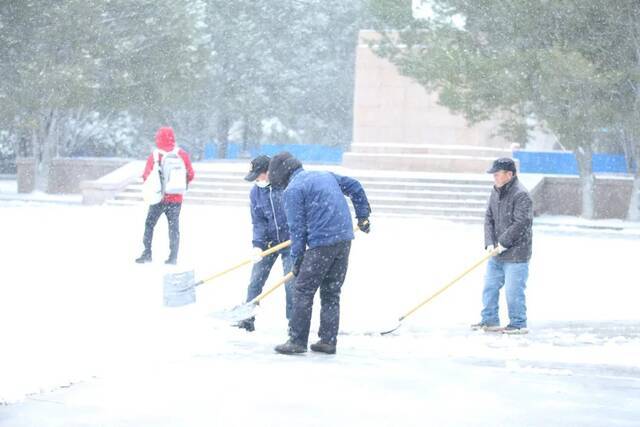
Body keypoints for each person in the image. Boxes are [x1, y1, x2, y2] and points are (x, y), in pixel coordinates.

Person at [268, 152, 371, 355]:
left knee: (303, 290)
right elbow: (355, 186)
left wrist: (297, 259)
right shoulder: (324, 175)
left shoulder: (293, 190)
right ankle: (327, 340)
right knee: (331, 291)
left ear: (280, 174)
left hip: (322, 243)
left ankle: (297, 341)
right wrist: (363, 215)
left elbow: (297, 230)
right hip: (344, 239)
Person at [472, 157, 533, 334]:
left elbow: (521, 223)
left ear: (509, 174)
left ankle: (518, 323)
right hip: (496, 253)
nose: (494, 178)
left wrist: (504, 243)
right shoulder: (495, 192)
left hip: (516, 254)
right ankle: (489, 320)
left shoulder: (521, 194)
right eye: (494, 174)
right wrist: (490, 243)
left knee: (513, 291)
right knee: (489, 287)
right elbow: (488, 219)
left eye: (497, 174)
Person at [235, 155, 293, 332]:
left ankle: (295, 324)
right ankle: (247, 317)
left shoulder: (286, 186)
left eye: (258, 175)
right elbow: (258, 221)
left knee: (291, 284)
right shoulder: (256, 192)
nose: (257, 180)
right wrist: (257, 245)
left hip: (291, 243)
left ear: (268, 172)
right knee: (255, 281)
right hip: (268, 243)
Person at [135, 127, 194, 265]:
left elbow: (146, 176)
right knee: (173, 228)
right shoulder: (181, 154)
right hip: (176, 198)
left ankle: (147, 253)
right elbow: (190, 174)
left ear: (158, 138)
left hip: (158, 198)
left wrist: (157, 186)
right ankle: (173, 257)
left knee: (150, 225)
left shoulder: (155, 155)